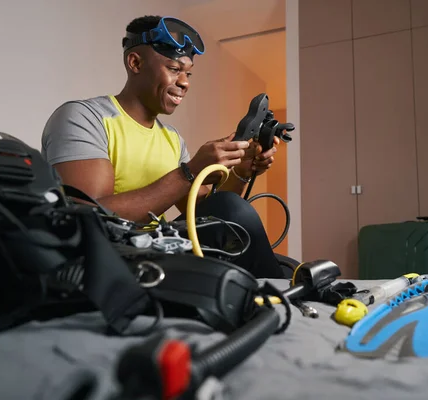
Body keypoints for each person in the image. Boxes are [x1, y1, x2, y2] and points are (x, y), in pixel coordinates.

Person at [41, 15, 285, 278]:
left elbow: (210, 214)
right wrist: (189, 172)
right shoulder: (84, 118)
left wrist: (241, 172)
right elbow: (89, 220)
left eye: (188, 73)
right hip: (109, 263)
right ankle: (289, 310)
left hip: (160, 253)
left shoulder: (171, 139)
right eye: (173, 68)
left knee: (276, 257)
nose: (185, 82)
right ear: (135, 62)